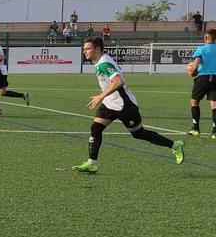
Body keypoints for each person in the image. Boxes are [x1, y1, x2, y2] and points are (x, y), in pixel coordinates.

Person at [72, 37, 184, 173]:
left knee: (139, 133)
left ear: (97, 49)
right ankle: (92, 163)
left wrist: (100, 96)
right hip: (109, 103)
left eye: (87, 48)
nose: (85, 51)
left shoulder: (104, 63)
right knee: (95, 128)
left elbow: (118, 82)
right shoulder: (101, 60)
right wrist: (104, 97)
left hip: (124, 105)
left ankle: (175, 145)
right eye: (84, 49)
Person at [186, 29, 216, 138]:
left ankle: (196, 129)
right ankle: (215, 132)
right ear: (215, 37)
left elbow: (194, 67)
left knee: (194, 102)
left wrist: (191, 72)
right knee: (215, 105)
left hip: (203, 78)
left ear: (205, 37)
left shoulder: (201, 49)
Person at [0, 34, 29, 115]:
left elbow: (0, 58)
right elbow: (2, 58)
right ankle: (22, 95)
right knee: (3, 92)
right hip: (3, 72)